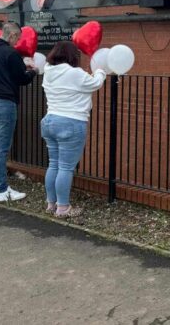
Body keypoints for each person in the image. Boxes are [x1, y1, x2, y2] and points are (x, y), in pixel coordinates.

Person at [41, 41, 105, 217]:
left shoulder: (48, 71)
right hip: (71, 122)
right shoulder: (74, 73)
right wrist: (100, 70)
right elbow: (95, 83)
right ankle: (63, 208)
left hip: (49, 120)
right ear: (72, 56)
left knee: (53, 164)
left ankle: (51, 203)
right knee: (66, 167)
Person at [0, 22, 36, 202]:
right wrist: (32, 71)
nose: (18, 42)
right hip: (4, 103)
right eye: (17, 38)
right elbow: (21, 79)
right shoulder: (10, 53)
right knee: (1, 148)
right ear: (11, 35)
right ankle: (2, 190)